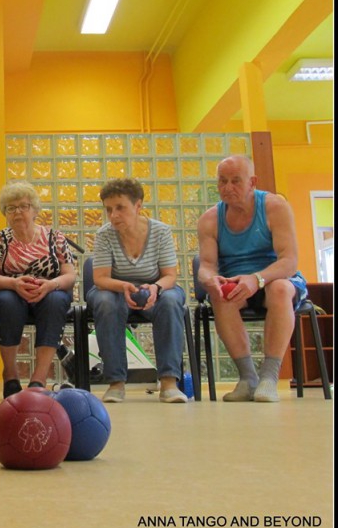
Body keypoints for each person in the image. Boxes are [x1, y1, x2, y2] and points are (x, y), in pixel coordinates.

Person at [197, 155, 307, 403]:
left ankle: (269, 377)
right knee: (220, 293)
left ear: (252, 182)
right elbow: (206, 265)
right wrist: (210, 280)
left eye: (236, 181)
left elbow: (289, 261)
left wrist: (256, 279)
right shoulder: (210, 219)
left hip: (275, 278)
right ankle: (248, 379)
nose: (228, 187)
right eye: (222, 181)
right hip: (237, 282)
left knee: (279, 289)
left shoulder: (274, 207)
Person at [86, 178, 188, 404]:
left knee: (172, 301)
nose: (113, 215)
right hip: (114, 290)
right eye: (109, 210)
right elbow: (100, 279)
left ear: (138, 205)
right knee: (105, 302)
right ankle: (116, 383)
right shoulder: (105, 234)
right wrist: (123, 286)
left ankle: (169, 383)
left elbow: (170, 275)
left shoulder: (161, 232)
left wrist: (155, 288)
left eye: (120, 208)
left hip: (156, 289)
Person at [0, 181, 77, 398]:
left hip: (48, 292)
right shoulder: (0, 239)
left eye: (23, 206)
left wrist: (51, 284)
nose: (17, 212)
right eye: (11, 208)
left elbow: (70, 275)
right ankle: (11, 374)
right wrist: (14, 284)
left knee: (56, 300)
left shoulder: (55, 238)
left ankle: (39, 378)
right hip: (10, 293)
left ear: (35, 210)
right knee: (7, 301)